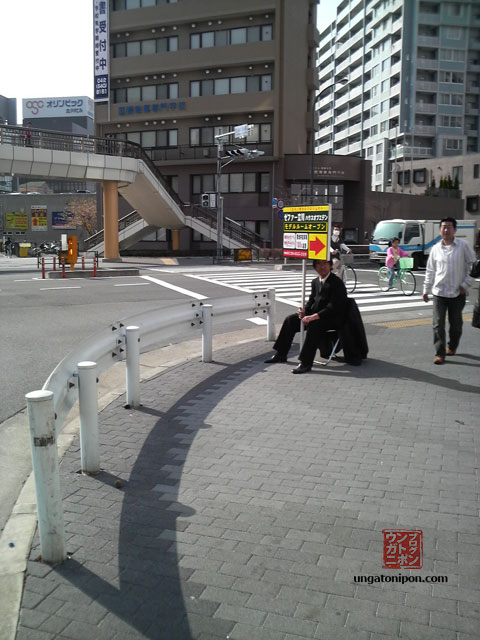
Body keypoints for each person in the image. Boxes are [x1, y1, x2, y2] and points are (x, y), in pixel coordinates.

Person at [264, 258, 348, 374]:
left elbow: (334, 306)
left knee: (314, 325)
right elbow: (311, 301)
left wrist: (314, 316)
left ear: (330, 266)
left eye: (324, 264)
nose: (321, 267)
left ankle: (305, 362)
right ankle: (281, 354)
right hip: (316, 316)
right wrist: (303, 311)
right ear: (314, 267)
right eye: (318, 264)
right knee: (291, 320)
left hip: (332, 318)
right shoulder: (315, 282)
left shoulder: (337, 282)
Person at [422, 217, 475, 365]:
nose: (446, 230)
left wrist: (465, 285)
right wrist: (426, 289)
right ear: (440, 230)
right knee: (438, 324)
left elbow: (474, 266)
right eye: (443, 227)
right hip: (439, 293)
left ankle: (452, 347)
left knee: (456, 324)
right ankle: (439, 353)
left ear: (455, 229)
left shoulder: (463, 246)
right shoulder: (435, 249)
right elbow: (430, 270)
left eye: (449, 227)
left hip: (458, 293)